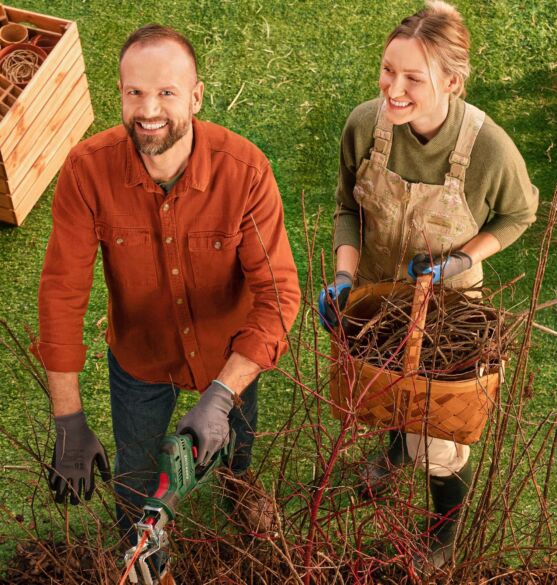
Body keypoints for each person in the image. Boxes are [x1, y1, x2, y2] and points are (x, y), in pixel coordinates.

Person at [33, 24, 300, 584]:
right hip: (141, 356)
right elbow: (62, 294)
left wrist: (223, 394)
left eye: (166, 93)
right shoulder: (87, 171)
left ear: (197, 96)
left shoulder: (244, 171)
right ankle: (144, 548)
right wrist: (68, 419)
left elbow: (278, 295)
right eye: (135, 93)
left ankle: (238, 484)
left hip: (227, 354)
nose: (149, 110)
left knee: (235, 442)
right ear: (121, 94)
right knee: (135, 479)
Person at [319, 0, 538, 573]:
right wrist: (345, 276)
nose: (393, 87)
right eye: (388, 70)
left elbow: (518, 215)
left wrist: (460, 259)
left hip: (448, 312)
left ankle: (443, 531)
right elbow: (348, 207)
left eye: (413, 78)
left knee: (438, 439)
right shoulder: (366, 124)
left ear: (451, 81)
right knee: (384, 393)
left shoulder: (488, 149)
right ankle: (393, 453)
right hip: (376, 295)